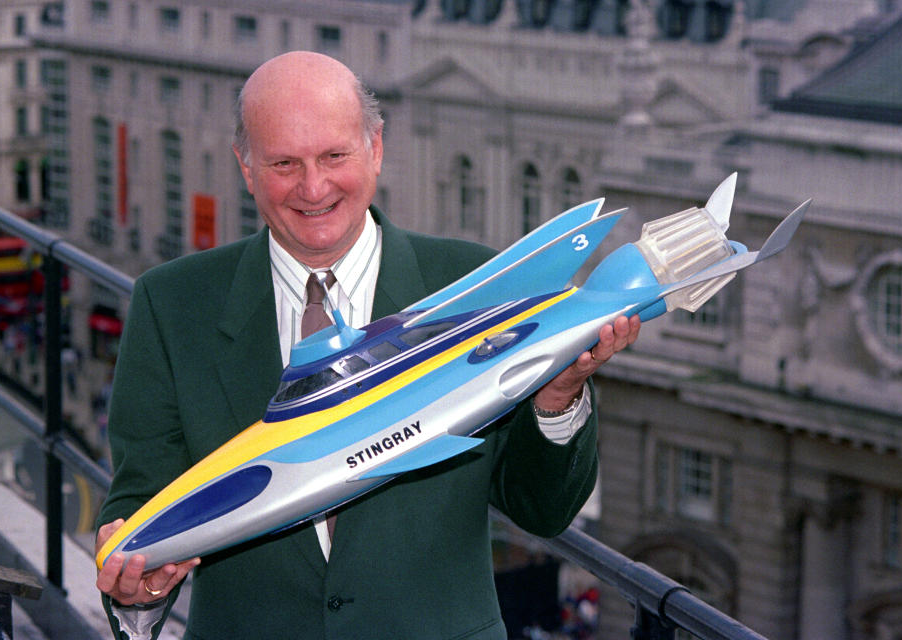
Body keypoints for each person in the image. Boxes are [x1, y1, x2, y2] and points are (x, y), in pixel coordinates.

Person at [94, 51, 639, 640]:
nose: (313, 187)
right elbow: (141, 500)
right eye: (283, 163)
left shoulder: (477, 284)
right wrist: (136, 587)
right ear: (246, 168)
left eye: (334, 155)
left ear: (375, 148)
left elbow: (542, 510)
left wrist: (557, 397)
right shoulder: (171, 304)